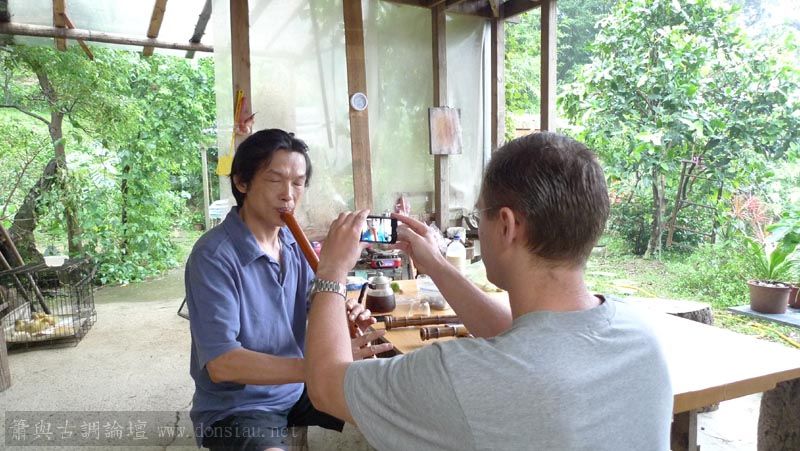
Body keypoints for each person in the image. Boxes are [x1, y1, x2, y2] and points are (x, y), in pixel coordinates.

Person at [304, 132, 673, 450]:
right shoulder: (641, 337)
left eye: (480, 214)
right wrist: (436, 264)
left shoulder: (461, 376)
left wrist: (332, 270)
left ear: (507, 225)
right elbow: (528, 339)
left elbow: (325, 386)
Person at [185, 128, 392, 450]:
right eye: (274, 180)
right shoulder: (213, 257)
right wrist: (320, 366)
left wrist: (341, 313)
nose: (288, 195)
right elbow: (222, 364)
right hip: (238, 407)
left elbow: (314, 305)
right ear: (242, 182)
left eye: (298, 183)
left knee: (395, 406)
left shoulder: (292, 243)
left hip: (298, 387)